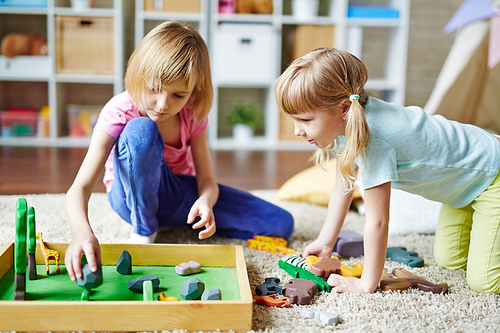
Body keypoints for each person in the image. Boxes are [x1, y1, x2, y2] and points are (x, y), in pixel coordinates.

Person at [64, 21, 293, 281]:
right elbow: (79, 188)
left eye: (178, 95)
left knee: (281, 224)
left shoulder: (193, 112)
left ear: (193, 90)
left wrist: (205, 202)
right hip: (130, 200)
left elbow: (207, 180)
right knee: (142, 131)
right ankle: (145, 227)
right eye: (154, 88)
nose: (163, 104)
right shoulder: (119, 110)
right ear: (137, 73)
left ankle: (175, 222)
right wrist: (82, 233)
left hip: (178, 198)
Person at [275, 47, 500, 294]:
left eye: (305, 120)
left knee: (485, 283)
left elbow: (378, 221)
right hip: (460, 190)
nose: (297, 130)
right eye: (294, 120)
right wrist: (325, 241)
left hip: (491, 173)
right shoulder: (349, 122)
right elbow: (343, 187)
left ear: (343, 109)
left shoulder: (373, 142)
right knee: (451, 261)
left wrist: (366, 283)